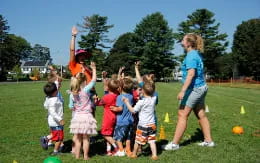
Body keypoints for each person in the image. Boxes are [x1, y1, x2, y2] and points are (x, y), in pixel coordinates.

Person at [162, 33, 214, 151]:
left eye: (183, 39)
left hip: (194, 89)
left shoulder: (191, 56)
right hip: (201, 87)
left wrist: (182, 91)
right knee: (200, 114)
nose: (181, 41)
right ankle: (208, 141)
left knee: (182, 114)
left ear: (189, 43)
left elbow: (191, 74)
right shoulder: (196, 54)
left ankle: (174, 144)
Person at [123, 81, 158, 160]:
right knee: (152, 140)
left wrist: (127, 102)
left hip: (143, 125)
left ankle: (134, 154)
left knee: (138, 140)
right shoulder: (154, 99)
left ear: (143, 91)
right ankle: (154, 155)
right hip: (152, 125)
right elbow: (152, 93)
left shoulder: (141, 102)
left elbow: (133, 110)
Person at [69, 62, 97, 160]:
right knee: (86, 139)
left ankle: (77, 156)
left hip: (77, 117)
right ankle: (85, 156)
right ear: (85, 82)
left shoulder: (72, 94)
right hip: (86, 117)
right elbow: (93, 80)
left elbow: (71, 107)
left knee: (77, 139)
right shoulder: (86, 90)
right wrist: (93, 69)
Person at [95, 79, 121, 156]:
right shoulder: (118, 95)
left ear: (108, 88)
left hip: (108, 118)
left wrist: (96, 99)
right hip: (115, 117)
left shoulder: (107, 97)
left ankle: (117, 148)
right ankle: (109, 151)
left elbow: (98, 103)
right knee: (109, 135)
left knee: (104, 134)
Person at [40, 66, 64, 149]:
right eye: (59, 84)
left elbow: (46, 106)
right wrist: (53, 69)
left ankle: (50, 141)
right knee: (58, 132)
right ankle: (56, 145)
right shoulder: (55, 95)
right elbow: (57, 79)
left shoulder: (49, 96)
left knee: (55, 131)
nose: (60, 85)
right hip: (56, 118)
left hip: (52, 117)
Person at [110, 77, 134, 157]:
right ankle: (128, 150)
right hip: (130, 120)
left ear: (120, 87)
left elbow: (120, 108)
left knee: (118, 137)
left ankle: (121, 150)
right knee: (128, 137)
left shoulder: (119, 97)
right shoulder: (131, 96)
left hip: (121, 121)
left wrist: (114, 108)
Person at [42, 82, 65, 155]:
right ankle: (55, 151)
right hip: (56, 122)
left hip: (52, 121)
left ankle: (46, 139)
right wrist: (60, 119)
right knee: (59, 138)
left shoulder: (48, 98)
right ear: (55, 91)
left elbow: (45, 106)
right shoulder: (54, 100)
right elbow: (52, 112)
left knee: (54, 134)